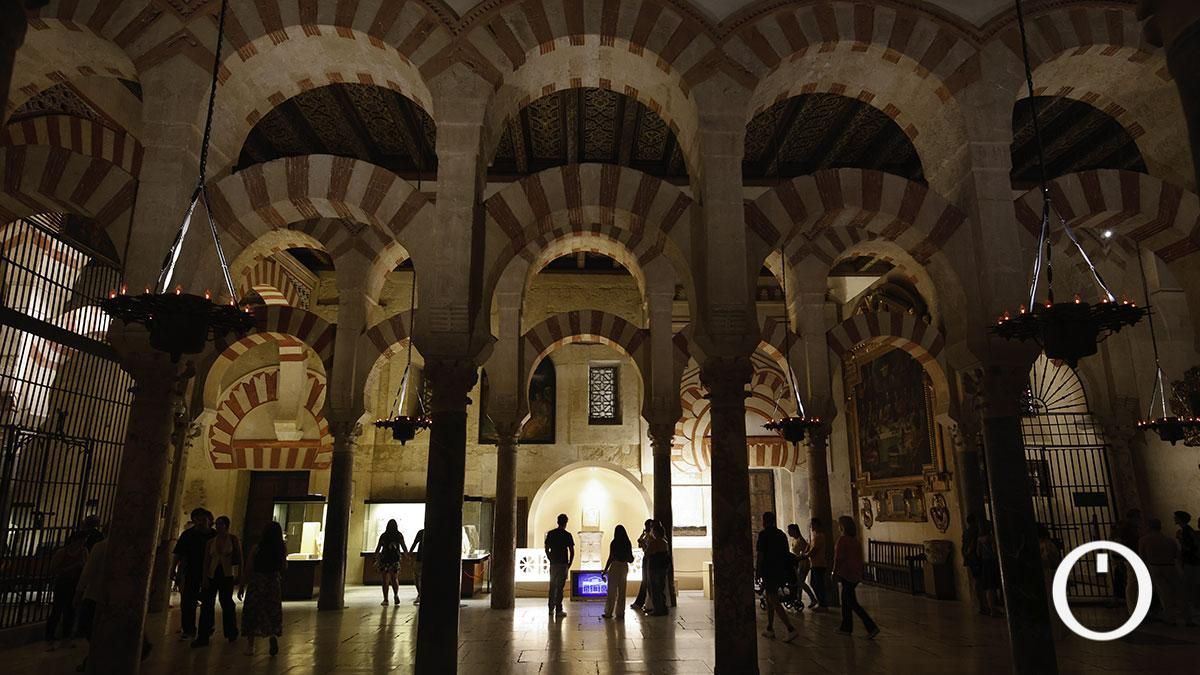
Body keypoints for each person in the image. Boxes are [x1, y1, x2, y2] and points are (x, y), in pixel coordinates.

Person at [193, 515, 241, 647]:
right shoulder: (211, 542)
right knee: (207, 604)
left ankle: (231, 631)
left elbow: (239, 558)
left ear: (226, 526)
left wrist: (239, 575)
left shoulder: (233, 539)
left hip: (227, 574)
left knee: (226, 602)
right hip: (212, 574)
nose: (218, 527)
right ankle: (204, 634)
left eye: (221, 524)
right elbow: (206, 562)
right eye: (217, 524)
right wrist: (204, 578)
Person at [240, 521, 287, 656]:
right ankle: (272, 635)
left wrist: (243, 583)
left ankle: (250, 645)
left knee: (253, 610)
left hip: (257, 581)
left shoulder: (257, 548)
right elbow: (284, 566)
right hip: (273, 582)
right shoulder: (281, 547)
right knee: (271, 610)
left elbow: (249, 567)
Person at [832, 515, 879, 638]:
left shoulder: (843, 540)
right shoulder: (855, 540)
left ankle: (871, 627)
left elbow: (839, 559)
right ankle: (846, 627)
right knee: (846, 600)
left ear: (842, 527)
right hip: (855, 574)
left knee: (851, 602)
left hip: (846, 574)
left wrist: (834, 572)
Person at [172, 508, 215, 640]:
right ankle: (189, 629)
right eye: (197, 519)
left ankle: (206, 628)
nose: (200, 522)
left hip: (210, 572)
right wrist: (173, 568)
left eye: (203, 519)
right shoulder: (187, 535)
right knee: (188, 601)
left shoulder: (214, 536)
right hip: (191, 570)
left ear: (209, 520)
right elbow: (178, 553)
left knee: (208, 601)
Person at [756, 512, 798, 641]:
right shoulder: (781, 535)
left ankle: (790, 628)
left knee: (772, 597)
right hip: (780, 570)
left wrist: (758, 571)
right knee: (770, 598)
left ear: (764, 521)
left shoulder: (763, 535)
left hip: (769, 570)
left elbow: (761, 555)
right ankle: (769, 628)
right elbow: (785, 553)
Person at [45, 531, 88, 650]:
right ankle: (50, 637)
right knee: (57, 610)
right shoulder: (62, 552)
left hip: (75, 583)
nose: (82, 543)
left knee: (71, 611)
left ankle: (66, 637)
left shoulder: (83, 551)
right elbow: (53, 569)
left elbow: (86, 566)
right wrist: (73, 567)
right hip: (63, 583)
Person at [1139, 517, 1186, 625]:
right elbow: (1177, 555)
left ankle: (1170, 617)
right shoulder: (1169, 540)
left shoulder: (1144, 540)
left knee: (1164, 593)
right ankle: (1187, 617)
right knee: (1178, 592)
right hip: (1170, 566)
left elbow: (1142, 556)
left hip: (1155, 567)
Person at [1037, 524, 1066, 640]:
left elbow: (1050, 561)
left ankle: (1055, 630)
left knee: (1051, 603)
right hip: (1050, 574)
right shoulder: (1048, 544)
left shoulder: (1046, 546)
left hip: (1049, 575)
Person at [601, 524, 635, 620]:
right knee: (622, 590)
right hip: (624, 566)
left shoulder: (614, 543)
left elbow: (610, 557)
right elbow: (630, 558)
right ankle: (620, 613)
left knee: (611, 590)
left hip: (615, 566)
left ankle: (608, 612)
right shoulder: (627, 543)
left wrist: (605, 570)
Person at [544, 514, 575, 616]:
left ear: (557, 522)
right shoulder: (567, 535)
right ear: (565, 523)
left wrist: (550, 558)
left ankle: (550, 608)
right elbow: (571, 551)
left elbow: (546, 548)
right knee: (560, 587)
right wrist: (569, 563)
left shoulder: (551, 534)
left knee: (552, 586)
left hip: (554, 563)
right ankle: (558, 609)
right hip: (562, 563)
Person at [374, 519, 407, 606]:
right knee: (394, 578)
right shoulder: (399, 535)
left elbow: (378, 548)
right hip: (395, 560)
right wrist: (407, 556)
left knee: (385, 580)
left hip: (385, 560)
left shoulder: (384, 536)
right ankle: (396, 595)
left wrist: (376, 558)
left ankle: (385, 599)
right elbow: (403, 546)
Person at [1114, 508, 1142, 610]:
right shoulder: (1127, 528)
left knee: (1133, 582)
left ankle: (1134, 607)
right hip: (1131, 556)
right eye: (1138, 516)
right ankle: (1133, 607)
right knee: (1133, 582)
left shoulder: (1129, 527)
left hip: (1130, 556)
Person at [786, 523, 818, 609]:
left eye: (790, 530)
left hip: (803, 563)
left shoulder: (801, 540)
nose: (788, 532)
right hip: (797, 563)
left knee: (800, 582)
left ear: (794, 531)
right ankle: (798, 600)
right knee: (798, 583)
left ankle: (813, 599)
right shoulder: (794, 540)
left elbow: (804, 552)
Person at [1174, 510, 1200, 617]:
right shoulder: (1188, 530)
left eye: (1175, 517)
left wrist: (1180, 540)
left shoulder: (1186, 531)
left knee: (1191, 584)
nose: (1174, 519)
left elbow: (1190, 548)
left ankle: (1195, 607)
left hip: (1191, 562)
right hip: (1192, 561)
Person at [976, 520, 1003, 617]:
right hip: (992, 562)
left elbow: (978, 553)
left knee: (988, 587)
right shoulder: (991, 538)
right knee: (995, 585)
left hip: (984, 562)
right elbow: (995, 550)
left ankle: (991, 608)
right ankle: (998, 607)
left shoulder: (979, 539)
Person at [643, 522, 671, 616]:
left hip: (654, 568)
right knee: (661, 589)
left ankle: (658, 609)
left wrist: (645, 546)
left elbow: (647, 553)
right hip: (662, 568)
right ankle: (663, 608)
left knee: (654, 589)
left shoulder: (654, 542)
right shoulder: (665, 542)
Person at [630, 519, 655, 612]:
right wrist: (641, 538)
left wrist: (643, 541)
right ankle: (641, 602)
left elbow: (646, 548)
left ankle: (643, 603)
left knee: (647, 581)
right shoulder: (648, 535)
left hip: (650, 559)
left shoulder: (651, 536)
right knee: (645, 581)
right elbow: (641, 545)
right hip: (646, 559)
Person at [806, 517, 830, 609]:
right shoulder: (815, 536)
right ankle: (821, 602)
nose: (811, 526)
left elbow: (814, 550)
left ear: (817, 525)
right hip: (815, 564)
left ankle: (823, 604)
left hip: (819, 564)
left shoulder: (819, 536)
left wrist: (805, 556)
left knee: (819, 585)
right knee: (814, 583)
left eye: (812, 524)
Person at [961, 513, 981, 610]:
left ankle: (977, 602)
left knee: (975, 579)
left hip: (970, 558)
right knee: (978, 580)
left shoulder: (966, 532)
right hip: (975, 558)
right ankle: (980, 603)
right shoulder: (975, 531)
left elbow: (963, 547)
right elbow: (972, 545)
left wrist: (965, 556)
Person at [409, 528, 424, 605]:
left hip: (420, 558)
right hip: (428, 559)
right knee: (421, 578)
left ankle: (419, 594)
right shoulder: (434, 532)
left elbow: (415, 543)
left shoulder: (421, 532)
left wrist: (410, 553)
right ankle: (421, 594)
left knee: (417, 577)